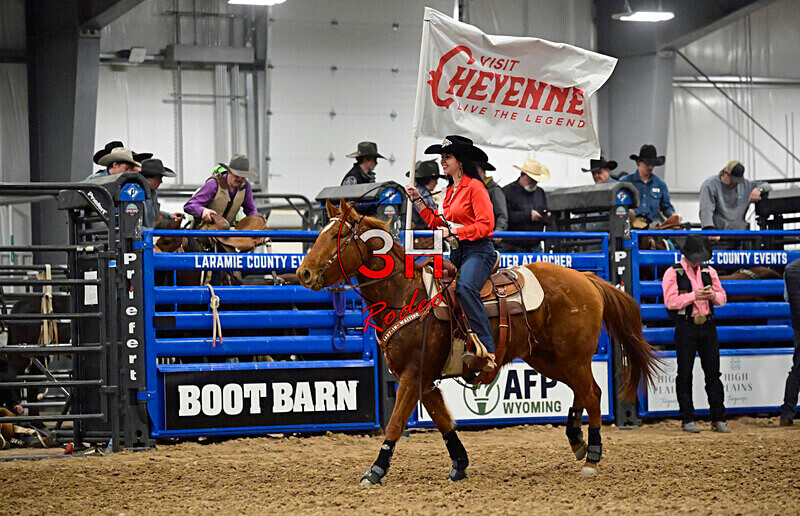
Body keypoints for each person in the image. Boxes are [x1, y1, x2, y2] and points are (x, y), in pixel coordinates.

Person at [403, 135, 496, 372]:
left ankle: (487, 349)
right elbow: (438, 224)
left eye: (447, 157)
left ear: (460, 161)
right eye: (442, 157)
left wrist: (454, 231)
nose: (442, 161)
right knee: (430, 284)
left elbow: (486, 226)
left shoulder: (475, 188)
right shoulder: (451, 190)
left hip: (479, 251)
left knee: (465, 288)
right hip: (458, 251)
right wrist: (419, 202)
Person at [662, 234, 730, 433]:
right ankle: (687, 418)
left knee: (713, 373)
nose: (699, 262)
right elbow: (670, 302)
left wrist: (713, 296)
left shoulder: (710, 271)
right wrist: (694, 296)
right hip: (686, 325)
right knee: (685, 373)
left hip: (707, 324)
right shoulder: (673, 273)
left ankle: (718, 418)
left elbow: (722, 298)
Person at [184, 154, 259, 227]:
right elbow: (190, 205)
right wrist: (203, 211)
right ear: (229, 172)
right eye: (236, 175)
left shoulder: (246, 187)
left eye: (243, 177)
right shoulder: (214, 184)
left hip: (227, 231)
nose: (239, 179)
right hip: (205, 231)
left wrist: (258, 222)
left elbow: (251, 210)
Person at [699, 160, 771, 231]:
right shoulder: (710, 185)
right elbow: (706, 210)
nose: (735, 183)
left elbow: (767, 186)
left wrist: (759, 189)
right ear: (725, 173)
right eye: (732, 180)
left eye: (737, 181)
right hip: (719, 233)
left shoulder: (745, 185)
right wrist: (709, 229)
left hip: (740, 233)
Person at [502, 157, 550, 253]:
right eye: (531, 179)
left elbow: (544, 209)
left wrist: (545, 217)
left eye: (536, 180)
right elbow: (505, 217)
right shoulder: (507, 192)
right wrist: (528, 216)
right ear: (522, 175)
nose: (533, 183)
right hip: (513, 246)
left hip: (535, 245)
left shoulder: (540, 192)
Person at [620, 144, 675, 225]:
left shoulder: (660, 184)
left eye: (652, 164)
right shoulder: (625, 182)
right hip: (631, 226)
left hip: (652, 226)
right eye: (647, 164)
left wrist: (673, 215)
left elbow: (666, 207)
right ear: (639, 162)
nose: (650, 167)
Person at [780, 258, 800, 426]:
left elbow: (787, 298)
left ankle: (787, 412)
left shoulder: (790, 269)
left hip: (798, 324)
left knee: (798, 368)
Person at [139, 159, 182, 229]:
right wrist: (150, 232)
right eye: (159, 178)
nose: (161, 181)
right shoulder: (135, 195)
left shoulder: (153, 193)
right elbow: (132, 225)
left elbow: (153, 213)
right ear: (149, 178)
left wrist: (169, 215)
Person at [406, 159, 443, 230]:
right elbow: (432, 217)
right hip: (421, 232)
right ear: (429, 179)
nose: (437, 183)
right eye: (435, 179)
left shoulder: (418, 191)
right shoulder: (422, 193)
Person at [475, 161, 508, 235]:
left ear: (481, 171)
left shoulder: (494, 190)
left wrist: (499, 230)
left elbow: (502, 214)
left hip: (490, 235)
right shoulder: (475, 189)